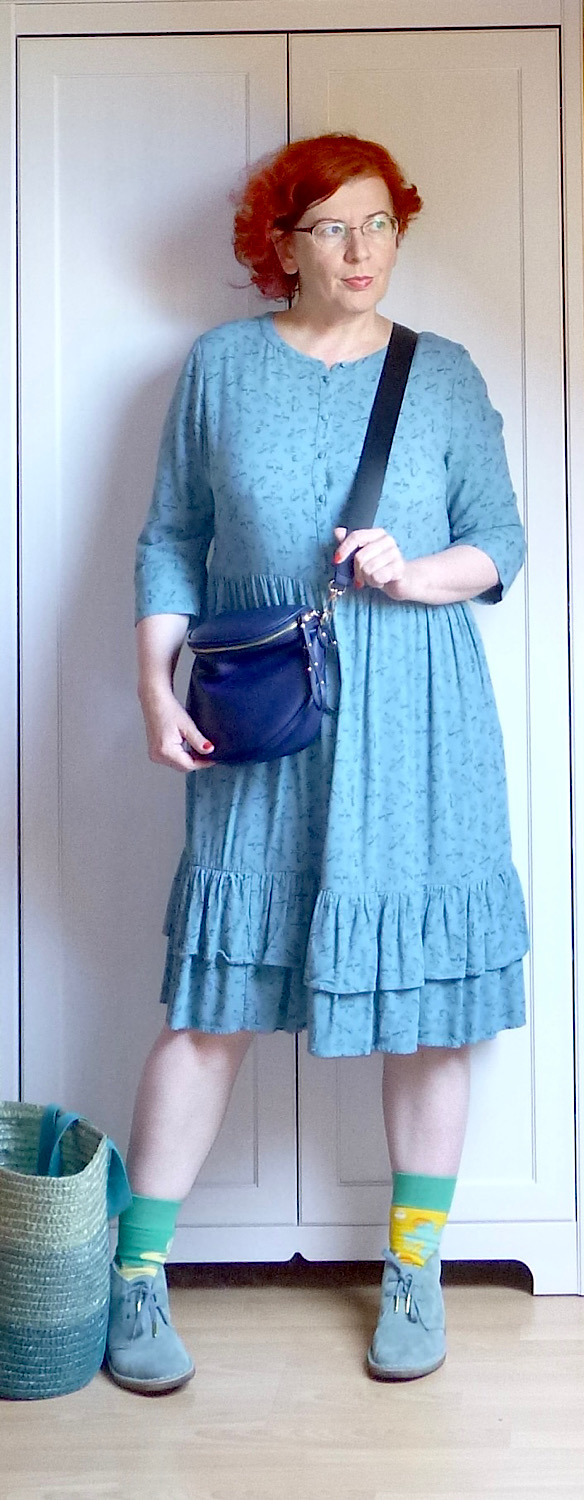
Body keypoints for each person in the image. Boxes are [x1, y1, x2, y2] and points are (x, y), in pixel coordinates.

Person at [105, 133, 529, 1393]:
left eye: (378, 223)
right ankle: (137, 1276)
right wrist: (153, 687)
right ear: (278, 245)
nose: (359, 249)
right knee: (211, 1005)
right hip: (264, 716)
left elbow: (500, 541)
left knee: (428, 1012)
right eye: (330, 226)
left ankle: (414, 1267)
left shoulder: (439, 374)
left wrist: (416, 568)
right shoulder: (220, 368)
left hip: (417, 718)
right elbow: (171, 537)